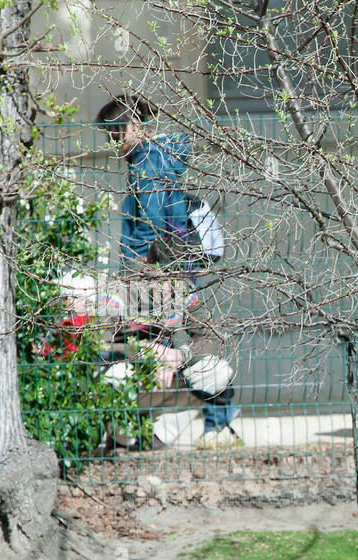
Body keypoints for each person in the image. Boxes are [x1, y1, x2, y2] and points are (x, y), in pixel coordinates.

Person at [95, 95, 239, 445]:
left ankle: (165, 425)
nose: (115, 143)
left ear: (134, 127)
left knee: (145, 340)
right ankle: (214, 419)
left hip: (158, 271)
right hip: (180, 267)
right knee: (176, 341)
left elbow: (150, 226)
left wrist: (137, 267)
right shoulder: (161, 157)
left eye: (116, 134)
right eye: (110, 137)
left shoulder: (145, 166)